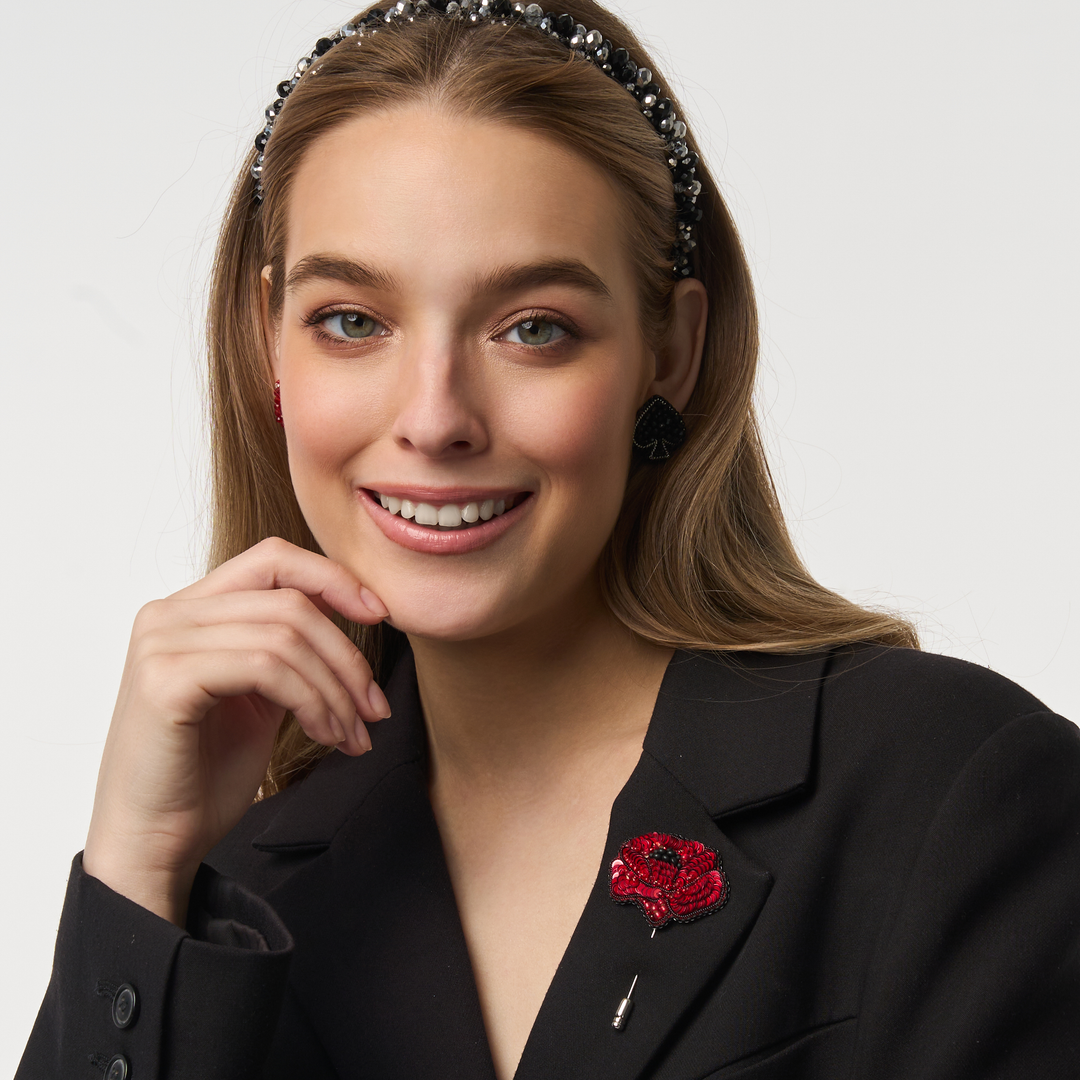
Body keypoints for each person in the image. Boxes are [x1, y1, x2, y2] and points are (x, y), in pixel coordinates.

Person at [16, 1, 1080, 1077]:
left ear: (671, 350)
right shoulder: (232, 901)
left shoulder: (946, 794)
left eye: (533, 328)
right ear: (268, 344)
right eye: (352, 320)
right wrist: (134, 875)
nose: (435, 419)